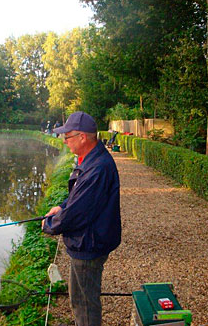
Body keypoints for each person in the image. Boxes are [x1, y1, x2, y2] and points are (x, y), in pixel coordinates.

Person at [42, 111, 121, 326]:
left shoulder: (97, 168)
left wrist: (50, 224)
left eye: (67, 137)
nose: (64, 141)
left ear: (82, 137)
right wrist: (61, 207)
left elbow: (77, 214)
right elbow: (79, 199)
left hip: (89, 243)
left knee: (84, 304)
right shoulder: (91, 160)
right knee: (79, 298)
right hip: (88, 241)